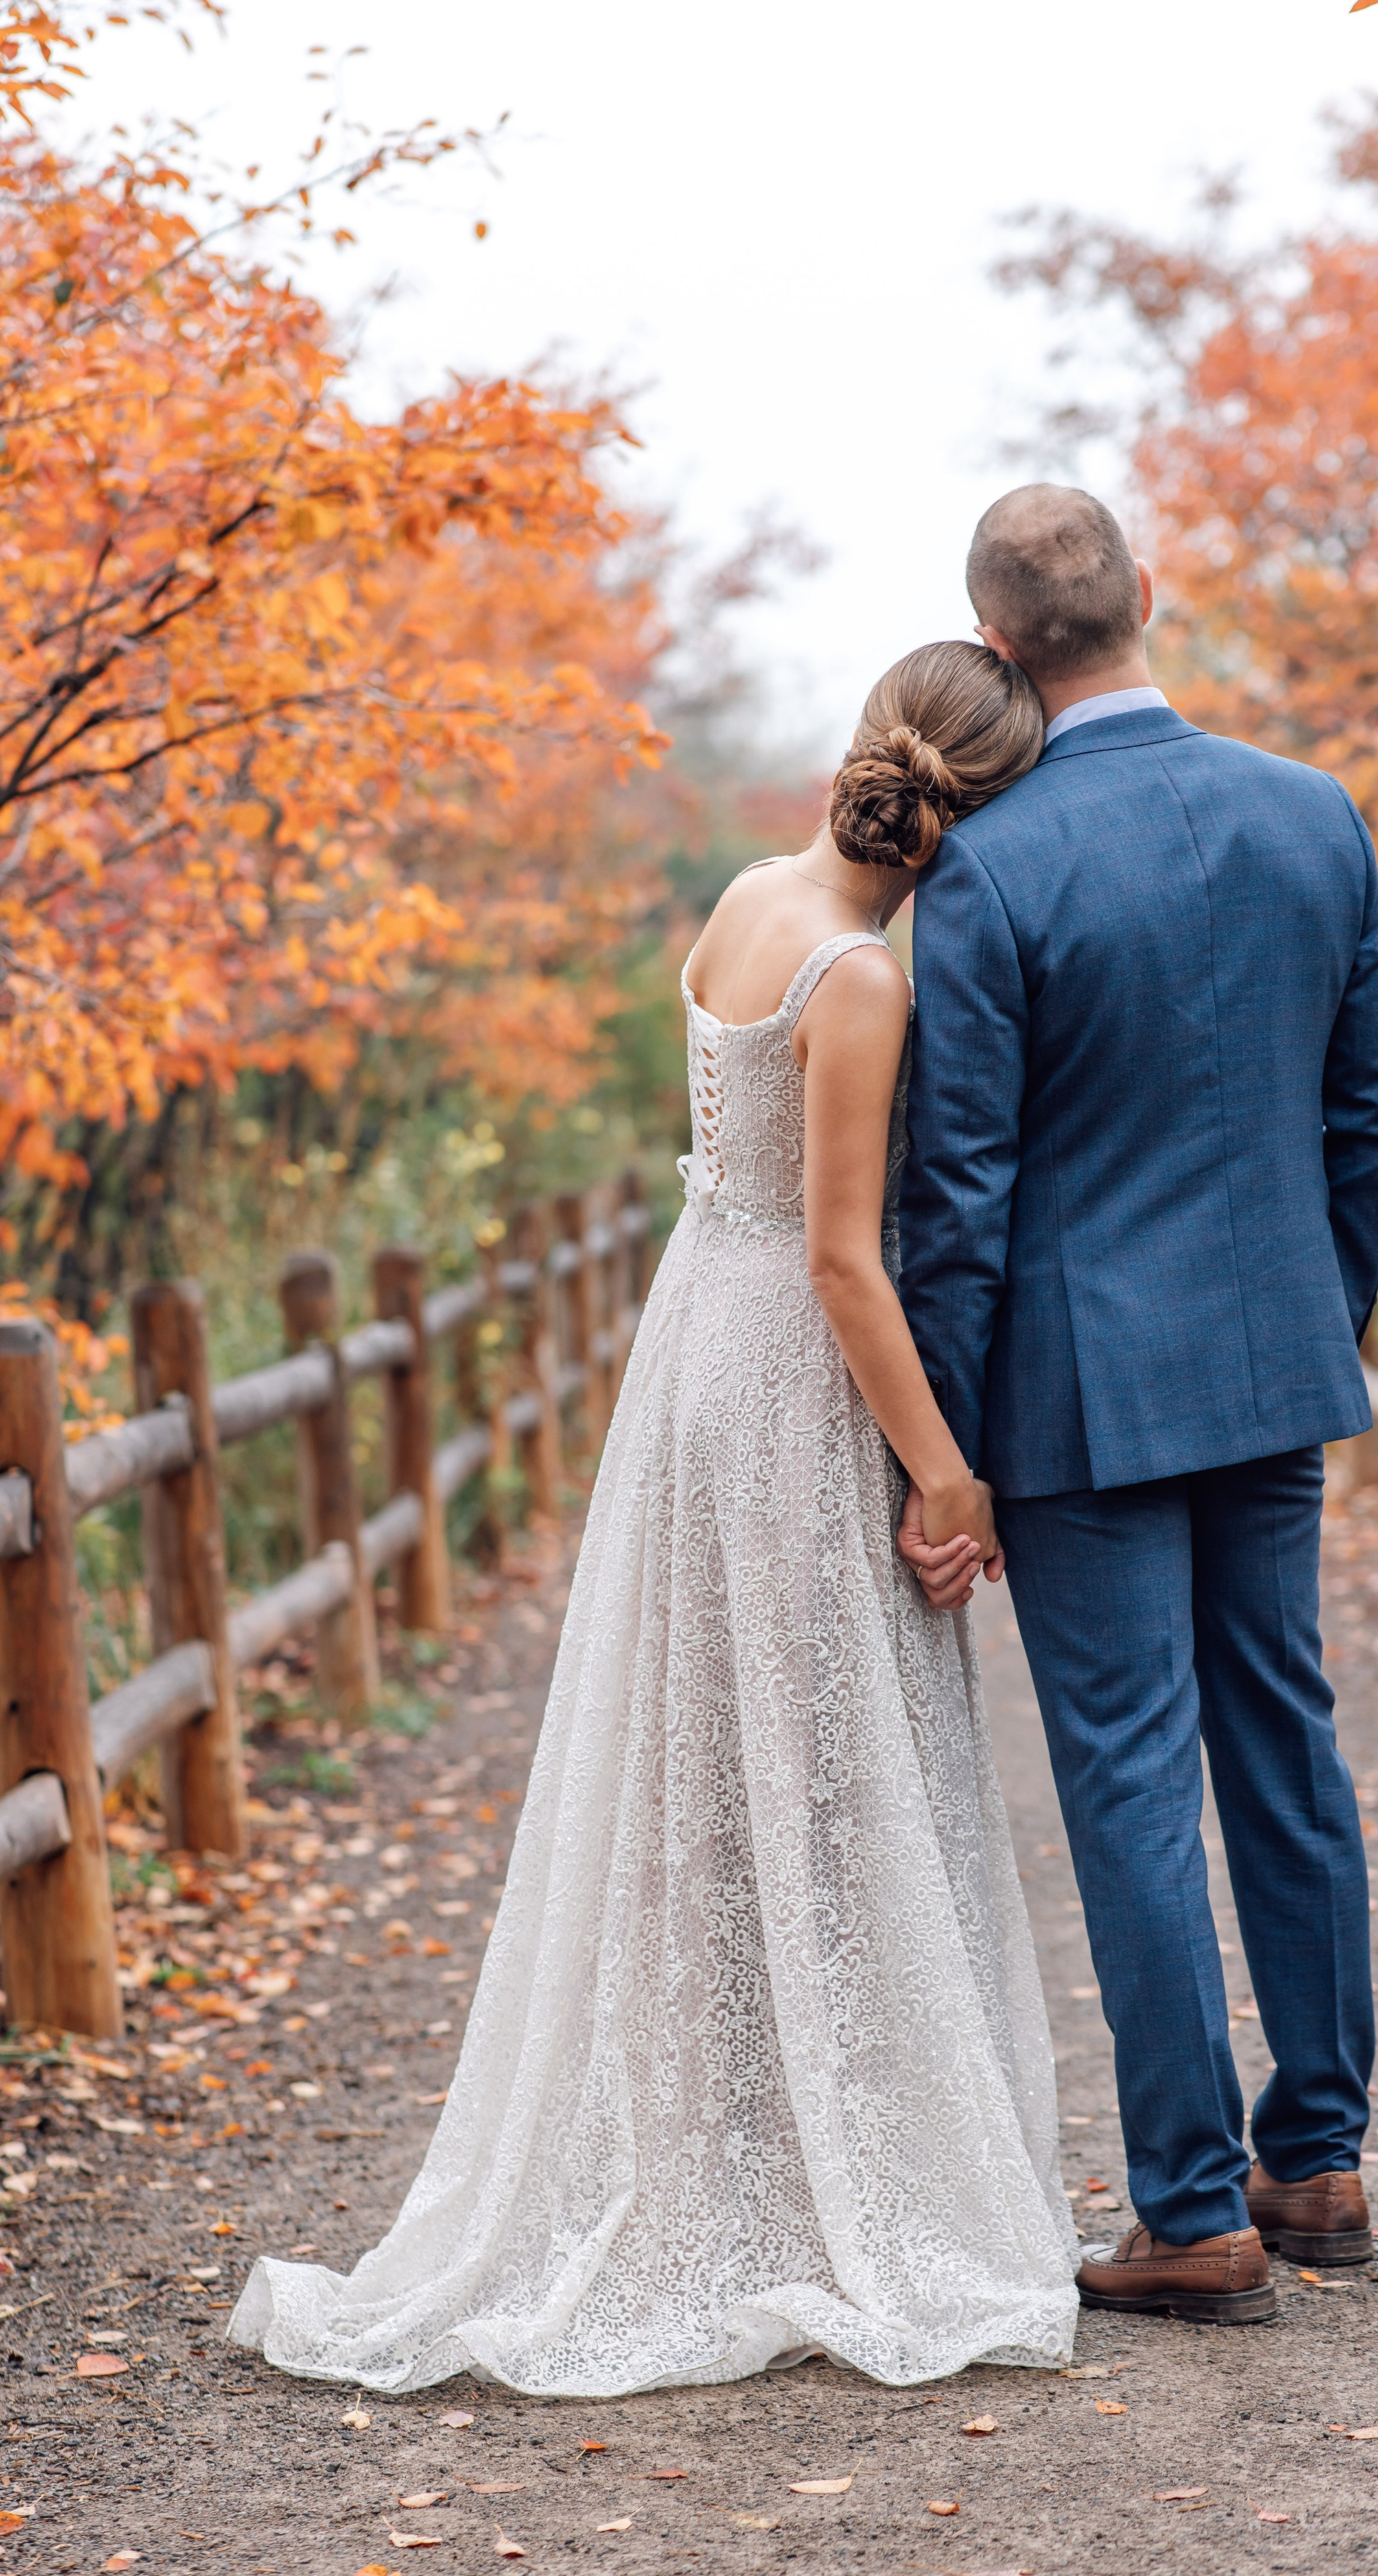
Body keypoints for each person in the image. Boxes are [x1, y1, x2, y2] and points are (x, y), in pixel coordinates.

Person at [228, 640, 1080, 2398]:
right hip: (780, 1365)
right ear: (973, 820)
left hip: (692, 1334)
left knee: (707, 1759)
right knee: (817, 1757)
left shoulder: (747, 894)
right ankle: (796, 2185)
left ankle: (731, 2156)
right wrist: (940, 1467)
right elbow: (844, 1259)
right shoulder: (858, 980)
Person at [899, 484, 1378, 2323]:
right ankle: (1323, 2160)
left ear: (997, 645)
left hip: (1074, 1403)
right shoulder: (1314, 814)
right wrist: (1305, 1312)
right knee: (1287, 1738)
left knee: (1128, 1780)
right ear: (1150, 598)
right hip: (1269, 1371)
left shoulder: (991, 864)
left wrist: (940, 1452)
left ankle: (1192, 2212)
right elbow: (1377, 1122)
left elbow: (954, 1198)